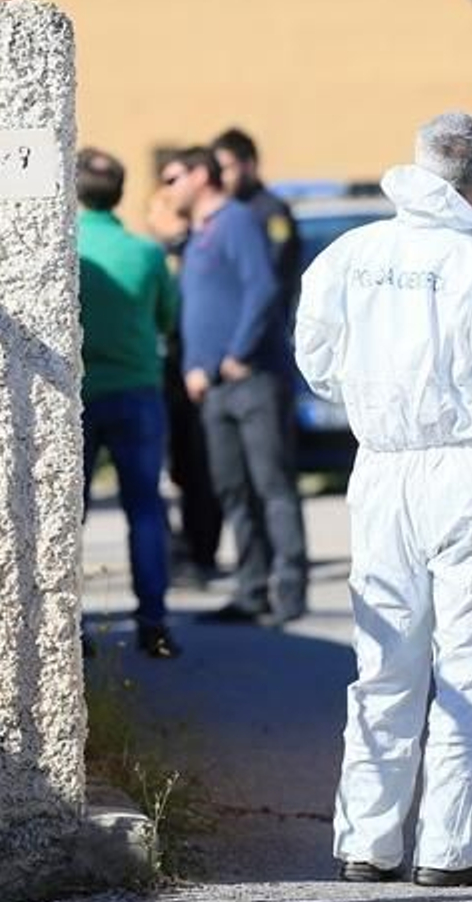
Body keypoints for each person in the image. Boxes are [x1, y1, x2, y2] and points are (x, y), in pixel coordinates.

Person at [295, 112, 472, 887]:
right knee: (471, 664)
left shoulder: (352, 255)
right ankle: (450, 849)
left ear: (416, 166)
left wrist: (371, 398)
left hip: (382, 470)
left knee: (383, 659)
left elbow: (316, 361)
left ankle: (366, 841)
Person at [165, 146, 310, 627]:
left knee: (271, 485)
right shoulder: (199, 234)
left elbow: (263, 287)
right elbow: (196, 309)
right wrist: (192, 366)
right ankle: (251, 590)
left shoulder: (238, 221)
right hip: (211, 388)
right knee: (232, 490)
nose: (166, 190)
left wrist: (236, 355)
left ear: (201, 176)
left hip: (251, 380)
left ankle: (288, 591)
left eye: (173, 178)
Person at [75, 148, 183, 659]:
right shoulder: (145, 253)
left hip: (76, 392)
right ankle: (154, 623)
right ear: (119, 193)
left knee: (67, 513)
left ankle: (70, 626)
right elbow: (167, 317)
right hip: (137, 389)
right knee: (144, 509)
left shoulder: (66, 248)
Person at [148, 158, 225, 585]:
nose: (166, 193)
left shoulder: (197, 246)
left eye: (173, 182)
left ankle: (200, 552)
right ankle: (179, 548)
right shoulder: (161, 251)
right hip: (164, 372)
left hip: (193, 370)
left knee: (198, 466)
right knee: (173, 467)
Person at [211, 127, 304, 327]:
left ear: (249, 164)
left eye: (227, 169)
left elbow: (274, 265)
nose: (221, 178)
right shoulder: (222, 211)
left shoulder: (271, 211)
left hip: (264, 324)